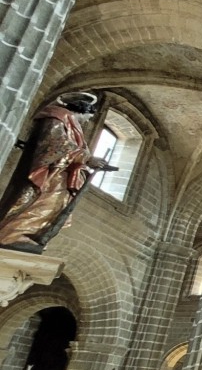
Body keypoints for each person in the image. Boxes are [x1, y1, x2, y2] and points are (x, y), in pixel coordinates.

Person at [0, 92, 117, 252]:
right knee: (43, 203)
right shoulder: (57, 117)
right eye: (89, 116)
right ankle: (13, 235)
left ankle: (27, 236)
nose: (88, 121)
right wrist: (87, 158)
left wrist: (88, 162)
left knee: (56, 206)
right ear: (83, 110)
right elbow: (55, 143)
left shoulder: (69, 122)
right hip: (50, 174)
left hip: (61, 173)